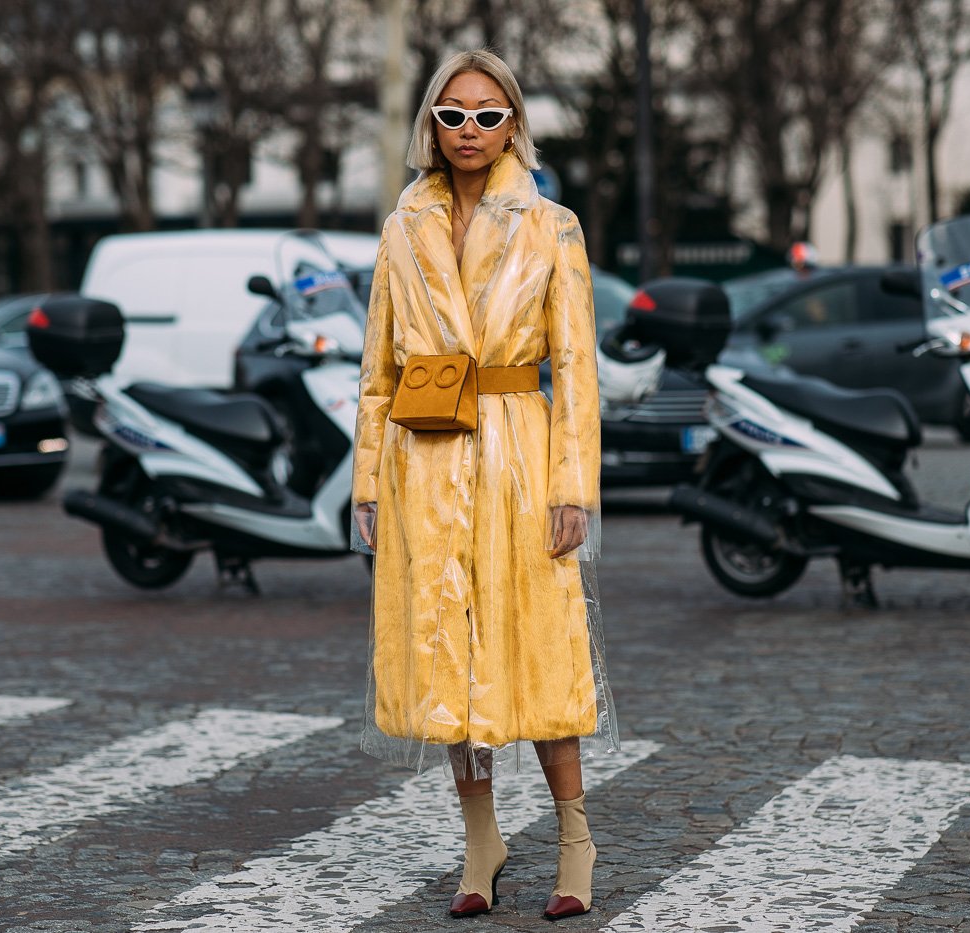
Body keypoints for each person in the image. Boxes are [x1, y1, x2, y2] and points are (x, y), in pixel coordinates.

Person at [351, 49, 619, 921]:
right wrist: (366, 486)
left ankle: (575, 836)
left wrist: (572, 486)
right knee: (451, 657)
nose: (470, 130)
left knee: (542, 651)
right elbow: (377, 372)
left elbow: (576, 368)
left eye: (488, 113)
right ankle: (482, 838)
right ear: (430, 123)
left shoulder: (553, 226)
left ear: (515, 125)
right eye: (454, 113)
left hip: (519, 455)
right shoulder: (401, 229)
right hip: (424, 461)